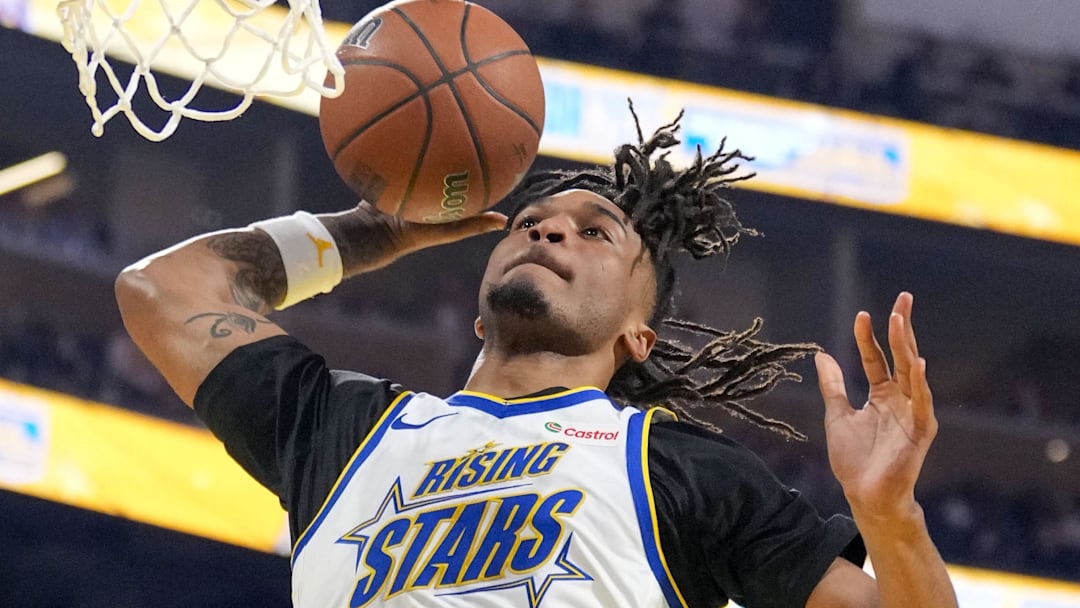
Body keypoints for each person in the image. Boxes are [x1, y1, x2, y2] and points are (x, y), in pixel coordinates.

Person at [115, 105, 957, 607]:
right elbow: (162, 289)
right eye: (531, 222)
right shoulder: (348, 429)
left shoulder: (681, 467)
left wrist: (891, 519)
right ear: (480, 312)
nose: (550, 226)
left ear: (639, 334)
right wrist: (369, 232)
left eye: (597, 233)